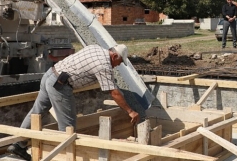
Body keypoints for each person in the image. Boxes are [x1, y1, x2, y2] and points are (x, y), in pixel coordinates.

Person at [7, 44, 139, 160]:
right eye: (120, 62)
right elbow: (114, 92)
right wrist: (130, 111)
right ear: (115, 56)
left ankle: (18, 144)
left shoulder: (95, 48)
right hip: (60, 84)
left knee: (37, 112)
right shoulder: (104, 65)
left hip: (50, 74)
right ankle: (64, 157)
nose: (118, 66)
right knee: (68, 126)